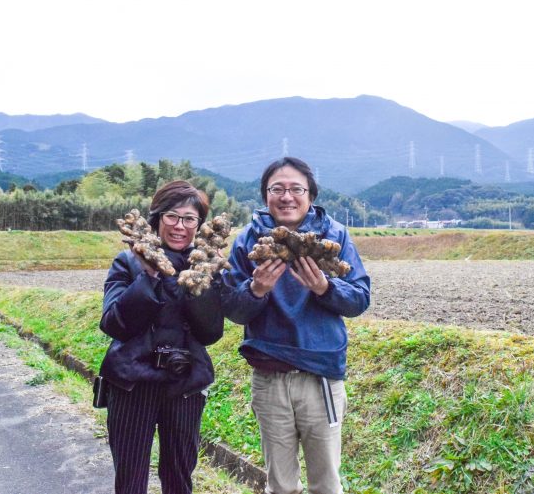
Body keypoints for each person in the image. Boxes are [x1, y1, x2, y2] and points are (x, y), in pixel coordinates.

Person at [221, 157, 371, 494]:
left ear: (311, 195)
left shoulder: (334, 235)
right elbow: (232, 308)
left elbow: (360, 298)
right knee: (281, 484)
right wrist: (256, 289)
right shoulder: (248, 241)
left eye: (296, 189)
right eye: (277, 189)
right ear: (265, 196)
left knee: (326, 482)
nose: (286, 196)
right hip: (269, 376)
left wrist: (324, 288)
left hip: (320, 374)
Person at [98, 180, 224, 494]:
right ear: (157, 218)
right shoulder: (127, 262)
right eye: (172, 216)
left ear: (200, 225)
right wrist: (149, 273)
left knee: (179, 479)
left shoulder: (205, 266)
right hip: (132, 382)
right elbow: (114, 324)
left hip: (184, 384)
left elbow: (210, 333)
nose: (180, 226)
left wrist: (197, 281)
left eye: (189, 219)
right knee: (130, 481)